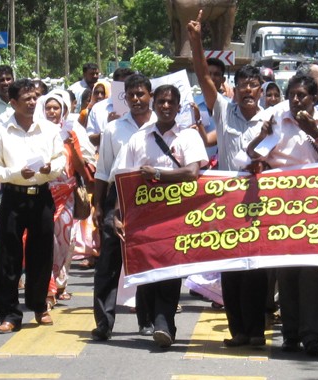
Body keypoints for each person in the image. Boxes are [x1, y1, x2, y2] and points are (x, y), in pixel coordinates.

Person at [244, 74, 318, 356]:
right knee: (288, 273)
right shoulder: (276, 121)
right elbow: (249, 157)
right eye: (291, 95)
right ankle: (291, 335)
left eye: (302, 96)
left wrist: (315, 131)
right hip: (282, 210)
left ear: (314, 99)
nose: (295, 100)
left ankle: (312, 336)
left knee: (313, 274)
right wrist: (261, 136)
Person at [186, 11, 268, 347]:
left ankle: (257, 331)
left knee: (257, 270)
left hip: (261, 201)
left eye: (254, 85)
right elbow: (204, 75)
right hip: (227, 202)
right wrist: (196, 40)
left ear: (262, 90)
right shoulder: (222, 109)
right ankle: (239, 332)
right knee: (232, 269)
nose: (249, 90)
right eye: (244, 84)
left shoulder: (273, 117)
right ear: (234, 89)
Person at [112, 84, 209, 349]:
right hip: (143, 218)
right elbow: (124, 179)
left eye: (171, 102)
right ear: (154, 105)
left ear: (178, 107)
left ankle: (164, 324)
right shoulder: (138, 139)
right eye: (162, 102)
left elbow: (191, 173)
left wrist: (157, 174)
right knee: (149, 270)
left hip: (177, 217)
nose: (166, 106)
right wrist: (117, 214)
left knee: (170, 269)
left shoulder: (189, 138)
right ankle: (151, 319)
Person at [0, 79, 66, 333]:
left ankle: (39, 305)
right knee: (8, 256)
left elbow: (60, 157)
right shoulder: (1, 131)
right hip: (13, 196)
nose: (32, 102)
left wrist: (52, 169)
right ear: (13, 102)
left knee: (41, 253)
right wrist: (17, 173)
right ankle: (9, 314)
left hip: (41, 195)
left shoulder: (49, 130)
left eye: (34, 98)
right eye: (26, 99)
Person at [90, 74, 158, 341]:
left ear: (149, 94)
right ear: (125, 97)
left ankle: (148, 319)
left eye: (141, 94)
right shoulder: (113, 129)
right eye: (131, 95)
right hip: (115, 198)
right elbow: (102, 170)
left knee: (147, 260)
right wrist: (98, 205)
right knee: (108, 262)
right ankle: (104, 322)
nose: (136, 99)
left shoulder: (160, 124)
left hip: (151, 200)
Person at [32, 90, 96, 310]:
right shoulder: (35, 134)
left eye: (56, 108)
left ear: (63, 111)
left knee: (65, 242)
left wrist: (71, 145)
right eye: (48, 108)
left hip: (67, 195)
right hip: (44, 195)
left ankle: (59, 283)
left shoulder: (70, 133)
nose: (51, 112)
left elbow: (80, 166)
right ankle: (47, 289)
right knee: (46, 242)